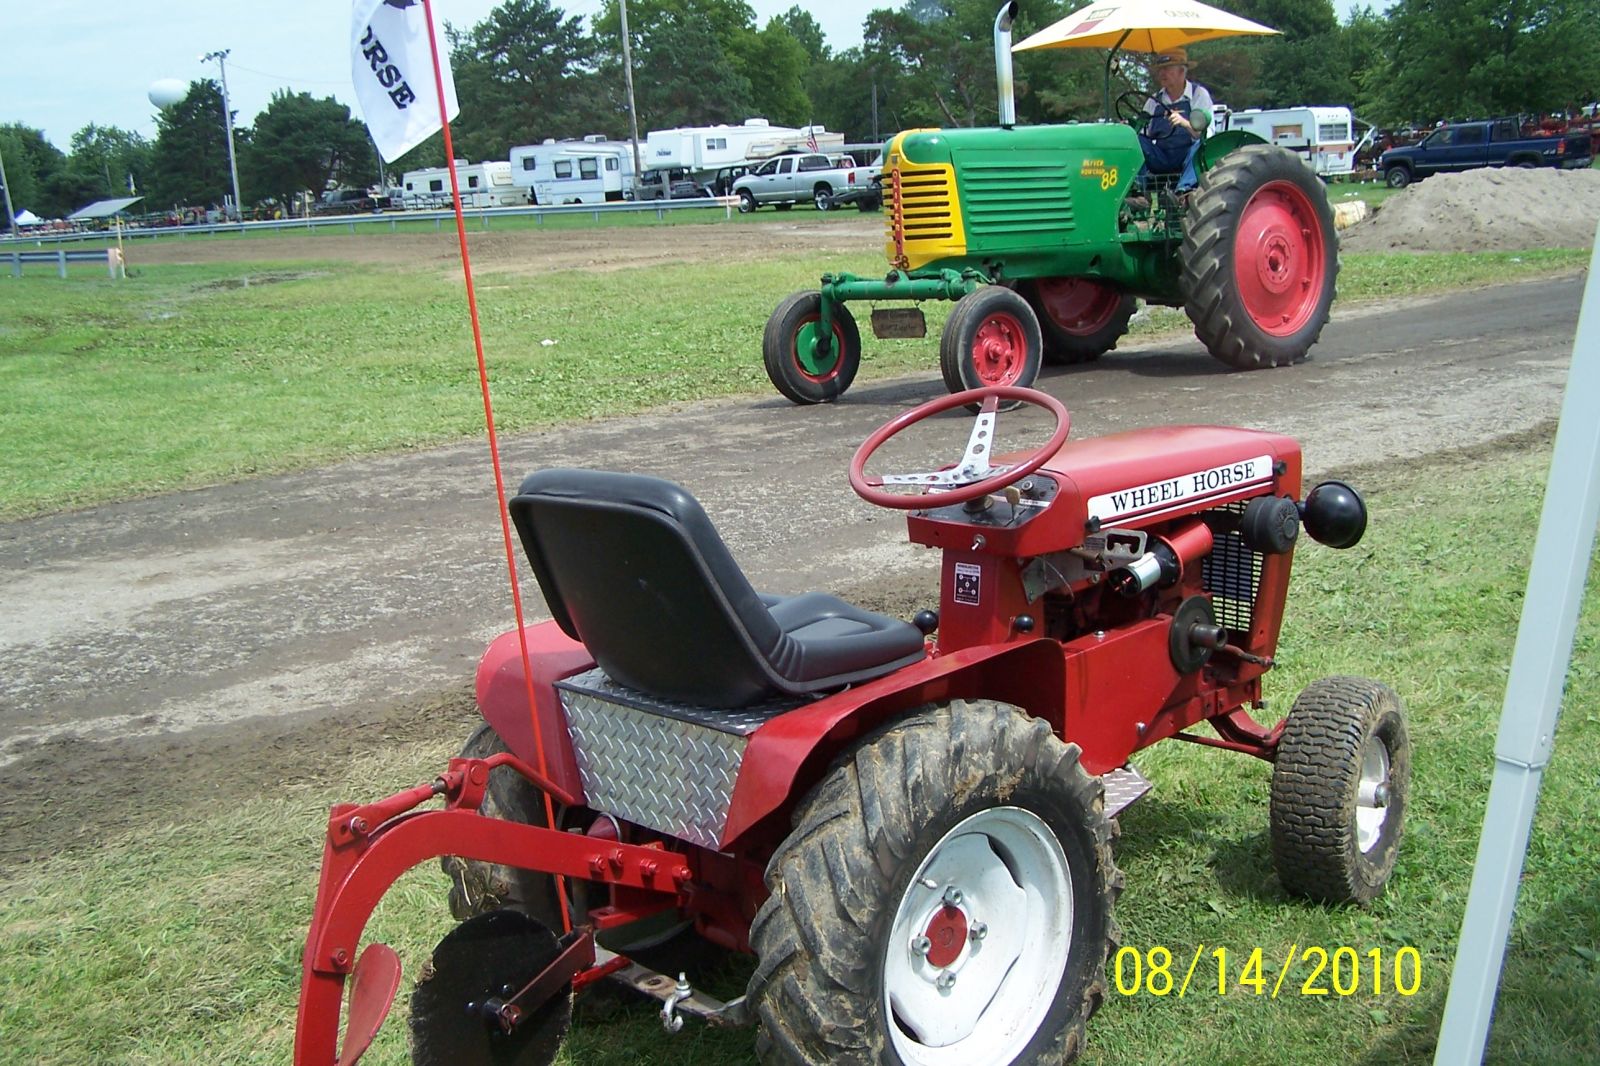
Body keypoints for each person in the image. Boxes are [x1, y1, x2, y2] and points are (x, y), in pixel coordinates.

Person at [1137, 48, 1214, 192]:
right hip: (1162, 156)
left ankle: (1183, 191)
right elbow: (1143, 132)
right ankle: (1137, 191)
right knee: (1136, 141)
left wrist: (1184, 123)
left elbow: (1206, 135)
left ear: (1182, 71)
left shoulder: (1198, 95)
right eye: (1160, 70)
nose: (1162, 74)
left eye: (1167, 69)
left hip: (1188, 156)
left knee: (1201, 144)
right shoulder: (1154, 100)